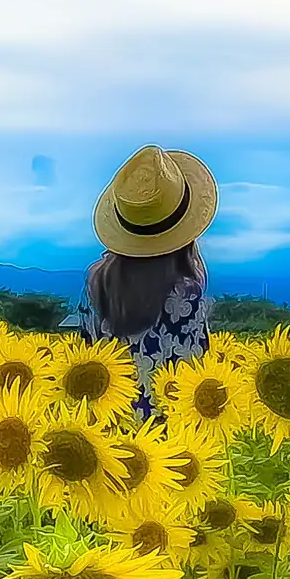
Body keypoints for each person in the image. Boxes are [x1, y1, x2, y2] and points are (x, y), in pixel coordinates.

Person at [76, 145, 217, 420]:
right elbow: (196, 377)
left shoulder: (95, 284)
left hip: (107, 432)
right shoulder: (187, 296)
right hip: (169, 444)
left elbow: (85, 363)